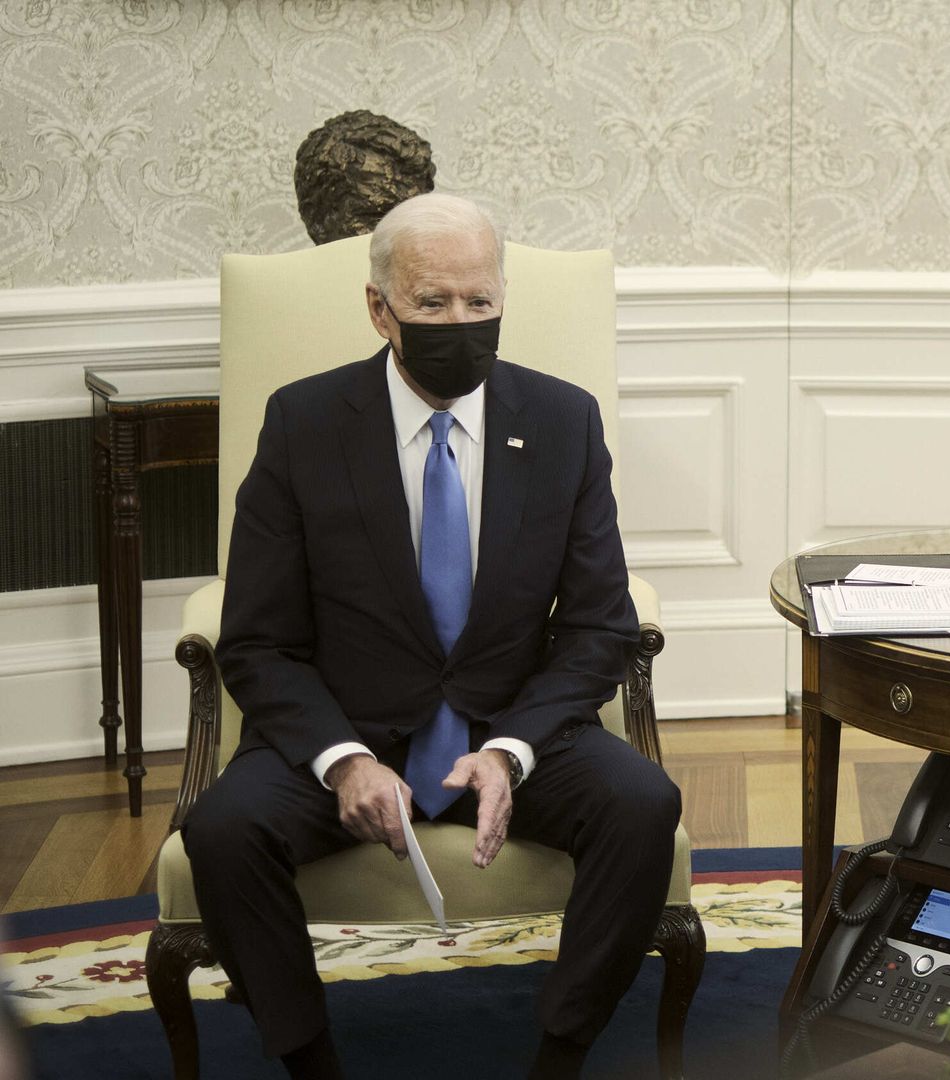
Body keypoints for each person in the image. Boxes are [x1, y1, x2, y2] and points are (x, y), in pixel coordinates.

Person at [182, 192, 681, 1080]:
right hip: (352, 723)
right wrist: (342, 759)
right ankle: (311, 1060)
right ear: (380, 309)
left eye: (479, 302)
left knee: (642, 804)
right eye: (432, 304)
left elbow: (601, 623)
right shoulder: (303, 424)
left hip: (511, 723)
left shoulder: (563, 422)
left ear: (501, 297)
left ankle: (560, 1054)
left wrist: (511, 751)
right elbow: (256, 640)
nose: (461, 322)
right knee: (222, 830)